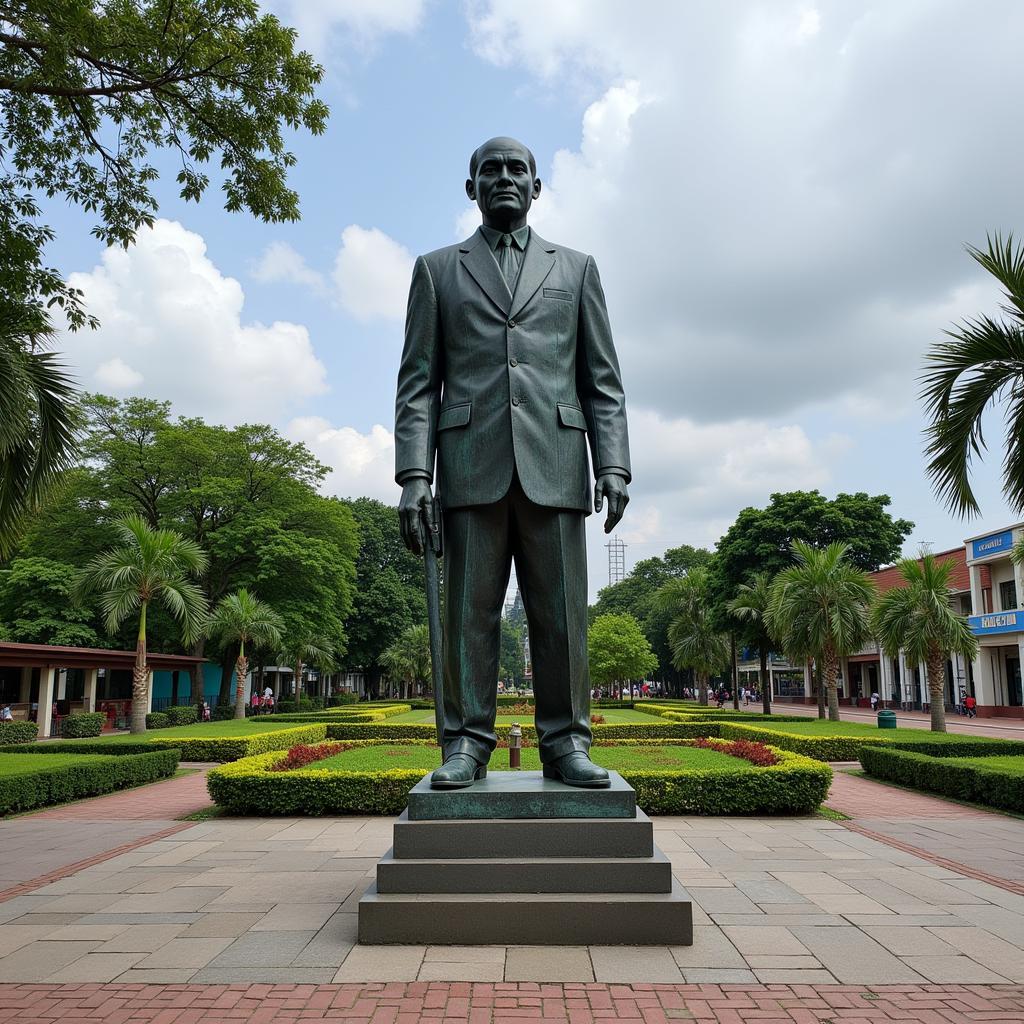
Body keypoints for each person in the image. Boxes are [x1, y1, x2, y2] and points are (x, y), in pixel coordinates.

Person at [396, 137, 630, 790]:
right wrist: (415, 476)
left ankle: (566, 745)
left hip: (557, 464)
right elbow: (418, 384)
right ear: (471, 186)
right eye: (489, 170)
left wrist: (613, 464)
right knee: (469, 617)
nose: (504, 178)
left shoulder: (577, 269)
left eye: (516, 170)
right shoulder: (437, 270)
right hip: (468, 469)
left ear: (537, 186)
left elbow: (601, 379)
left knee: (561, 618)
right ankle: (466, 745)